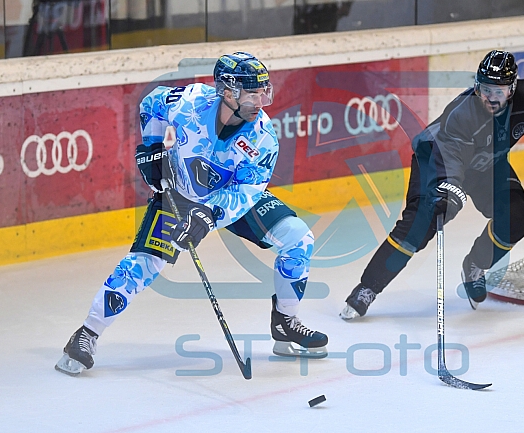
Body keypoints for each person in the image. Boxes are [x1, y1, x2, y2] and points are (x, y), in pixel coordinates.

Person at [55, 52, 328, 376]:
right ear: (228, 93)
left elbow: (249, 188)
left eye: (262, 91)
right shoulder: (191, 101)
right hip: (179, 193)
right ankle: (86, 334)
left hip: (231, 198)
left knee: (299, 239)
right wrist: (151, 148)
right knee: (144, 264)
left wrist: (209, 213)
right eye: (252, 93)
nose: (260, 100)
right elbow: (153, 102)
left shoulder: (263, 137)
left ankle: (286, 322)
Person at [340, 50, 524, 319]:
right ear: (476, 87)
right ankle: (367, 288)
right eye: (485, 89)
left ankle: (475, 264)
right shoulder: (462, 115)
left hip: (487, 164)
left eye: (498, 91)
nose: (490, 97)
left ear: (512, 89)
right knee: (419, 226)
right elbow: (448, 156)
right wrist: (444, 189)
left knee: (517, 217)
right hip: (435, 159)